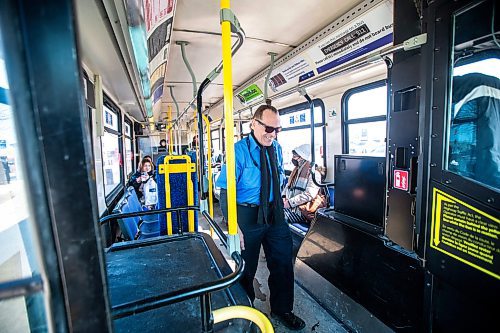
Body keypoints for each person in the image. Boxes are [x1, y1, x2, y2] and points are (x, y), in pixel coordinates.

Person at [216, 105, 305, 330]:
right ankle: (245, 313)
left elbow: (276, 179)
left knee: (283, 263)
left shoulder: (277, 148)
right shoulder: (238, 151)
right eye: (268, 128)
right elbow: (227, 190)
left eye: (277, 129)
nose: (273, 134)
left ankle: (282, 309)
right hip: (247, 214)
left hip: (274, 213)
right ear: (253, 124)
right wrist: (233, 226)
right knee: (246, 268)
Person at [282, 144, 323, 223]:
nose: (293, 159)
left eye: (295, 156)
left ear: (302, 157)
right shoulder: (296, 170)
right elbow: (288, 186)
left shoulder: (314, 173)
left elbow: (309, 194)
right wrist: (283, 197)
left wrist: (290, 203)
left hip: (301, 211)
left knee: (278, 217)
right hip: (291, 207)